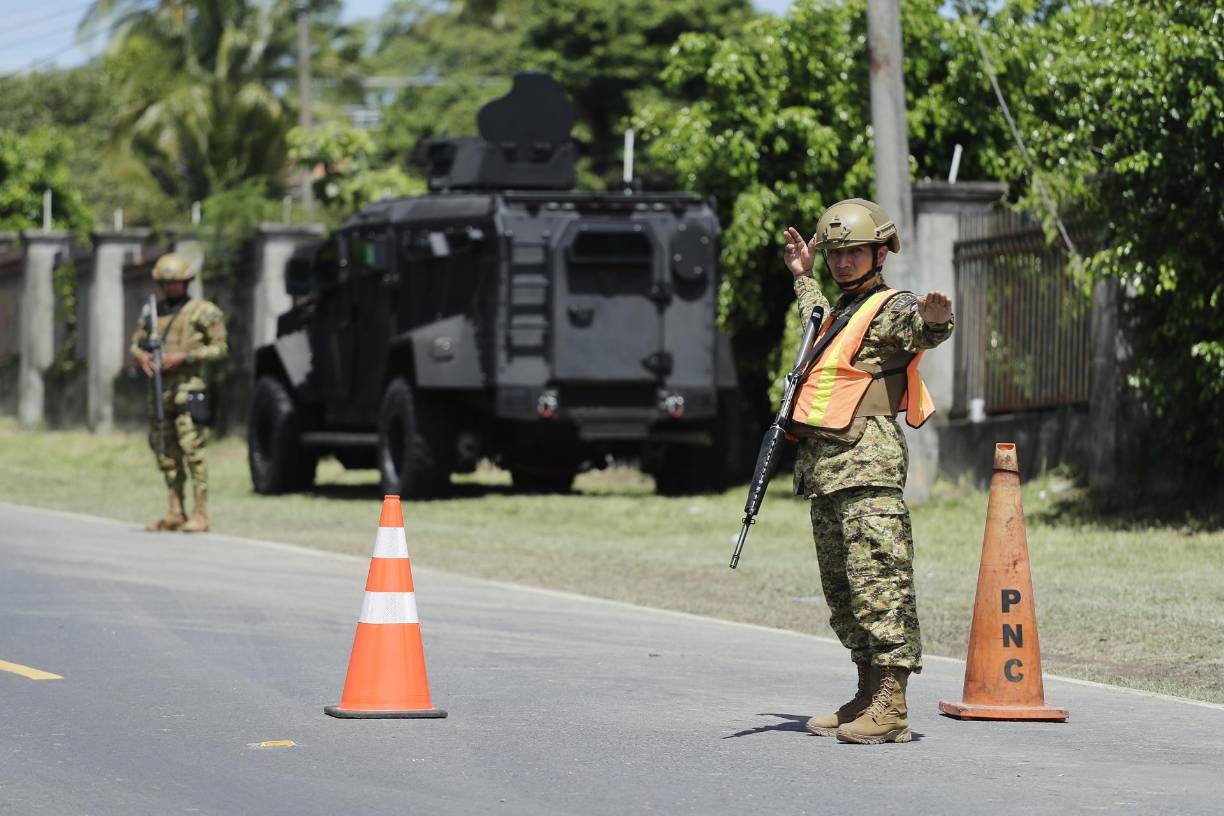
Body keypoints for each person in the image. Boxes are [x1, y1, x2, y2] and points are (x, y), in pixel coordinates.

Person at [782, 198, 953, 744]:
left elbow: (921, 329)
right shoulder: (841, 312)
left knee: (880, 583)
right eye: (835, 254)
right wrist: (802, 277)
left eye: (853, 252)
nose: (842, 262)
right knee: (844, 592)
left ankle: (892, 705)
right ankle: (866, 691)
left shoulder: (890, 306)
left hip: (867, 470)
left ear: (881, 252)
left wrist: (935, 319)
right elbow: (816, 320)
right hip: (827, 472)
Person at [130, 253, 228, 533]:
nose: (169, 287)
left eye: (174, 282)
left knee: (193, 451)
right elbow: (135, 344)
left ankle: (200, 513)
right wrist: (140, 357)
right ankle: (175, 510)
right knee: (165, 451)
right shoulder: (152, 313)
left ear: (186, 282)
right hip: (160, 392)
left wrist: (184, 357)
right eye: (165, 283)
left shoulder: (204, 311)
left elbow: (221, 349)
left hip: (189, 391)